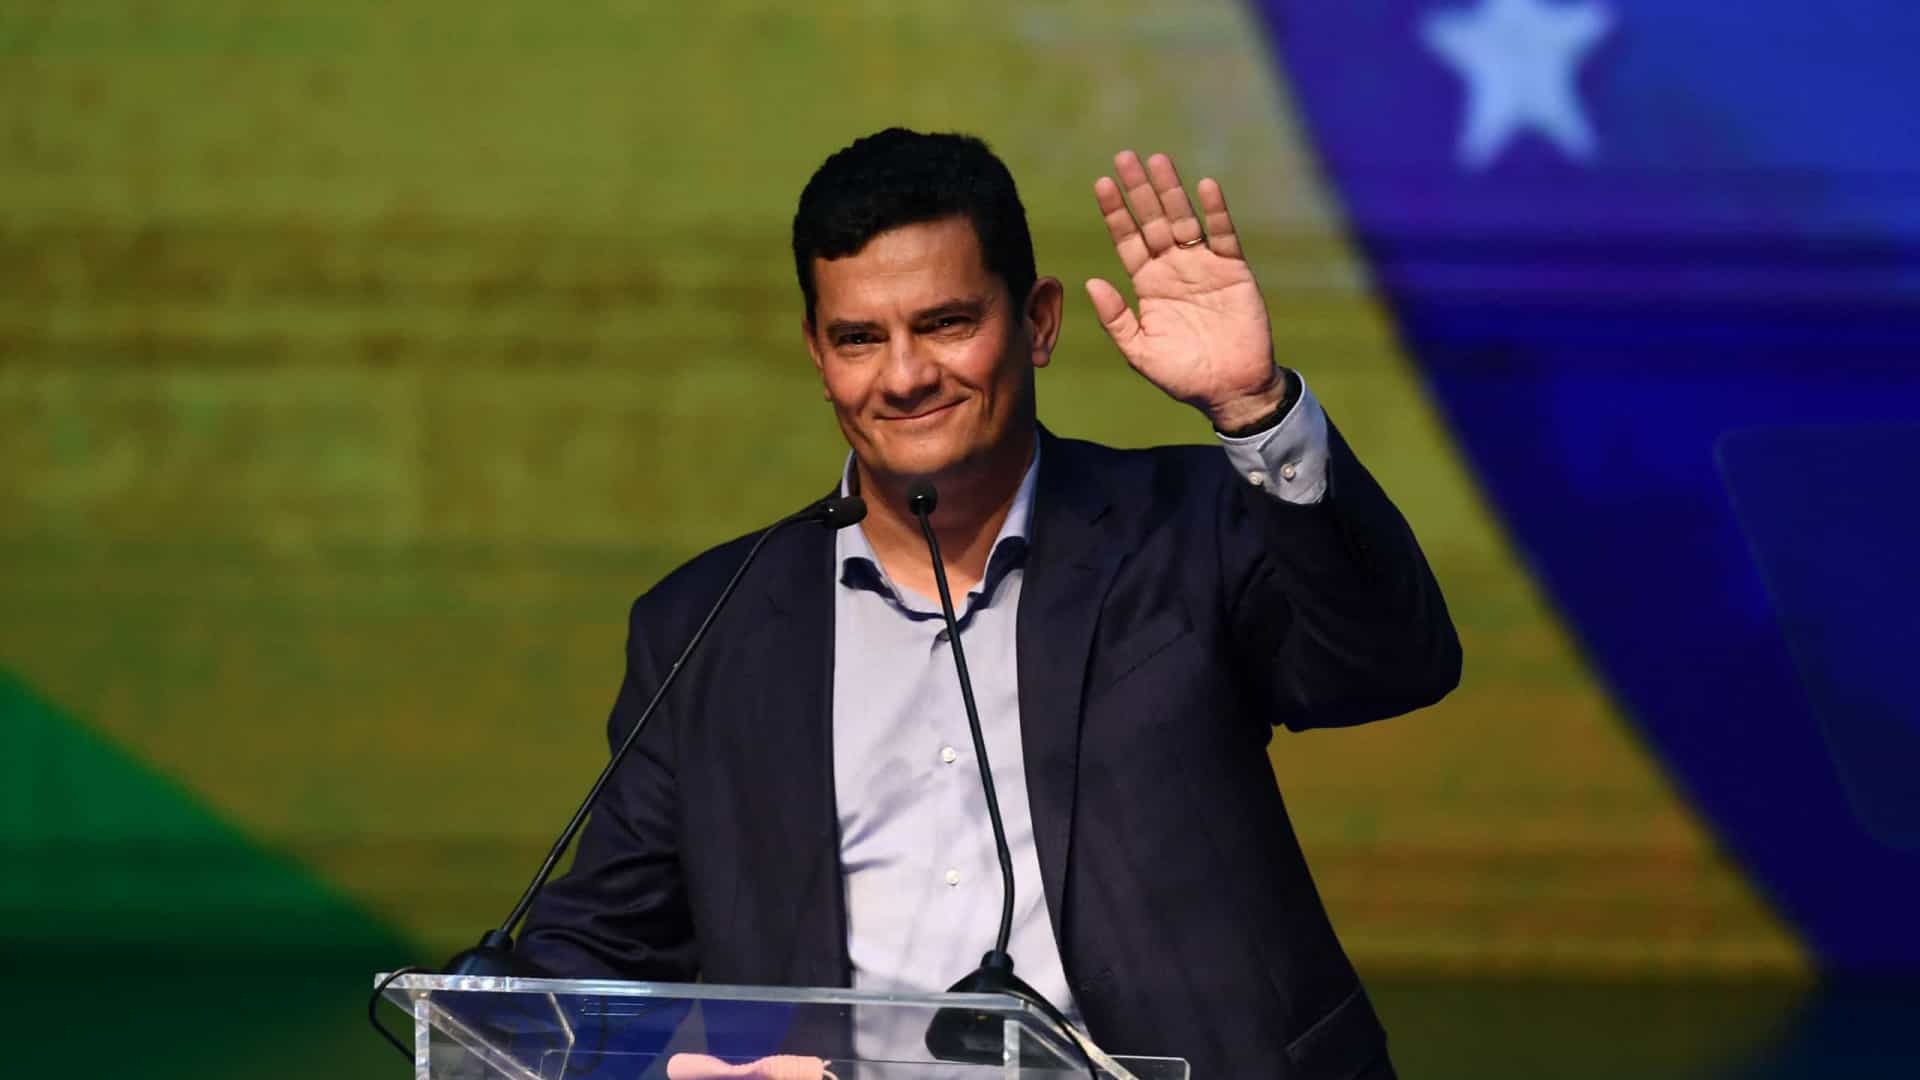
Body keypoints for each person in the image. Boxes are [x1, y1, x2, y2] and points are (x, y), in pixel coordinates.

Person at [519, 128, 1460, 1079]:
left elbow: (1392, 665)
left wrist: (1255, 407)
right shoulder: (707, 625)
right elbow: (596, 949)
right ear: (816, 351)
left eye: (945, 324)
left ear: (1038, 321)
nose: (904, 376)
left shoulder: (1188, 526)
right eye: (859, 339)